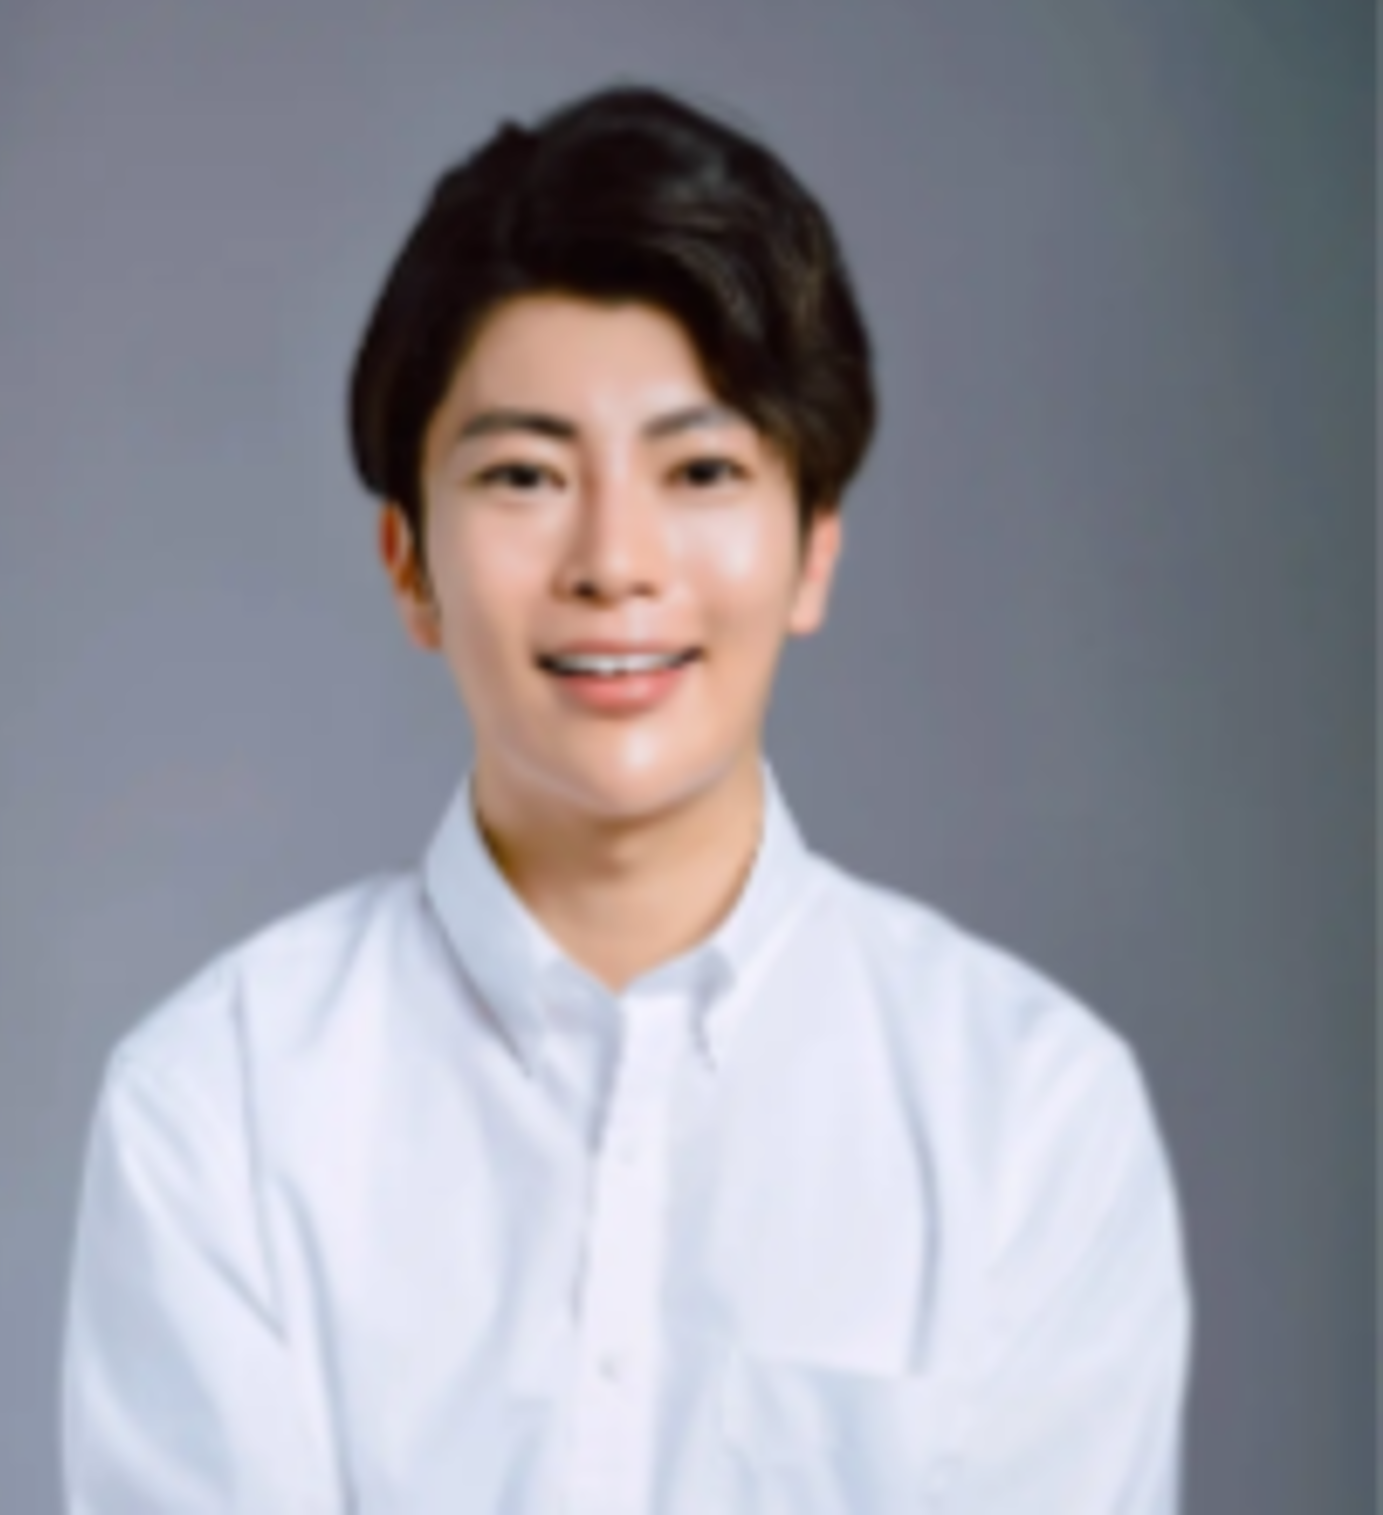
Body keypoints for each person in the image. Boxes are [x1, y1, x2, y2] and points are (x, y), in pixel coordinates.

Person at [61, 84, 1192, 1513]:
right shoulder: (220, 1106)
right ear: (409, 565)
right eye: (525, 474)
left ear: (814, 549)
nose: (615, 562)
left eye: (701, 470)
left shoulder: (1029, 1118)